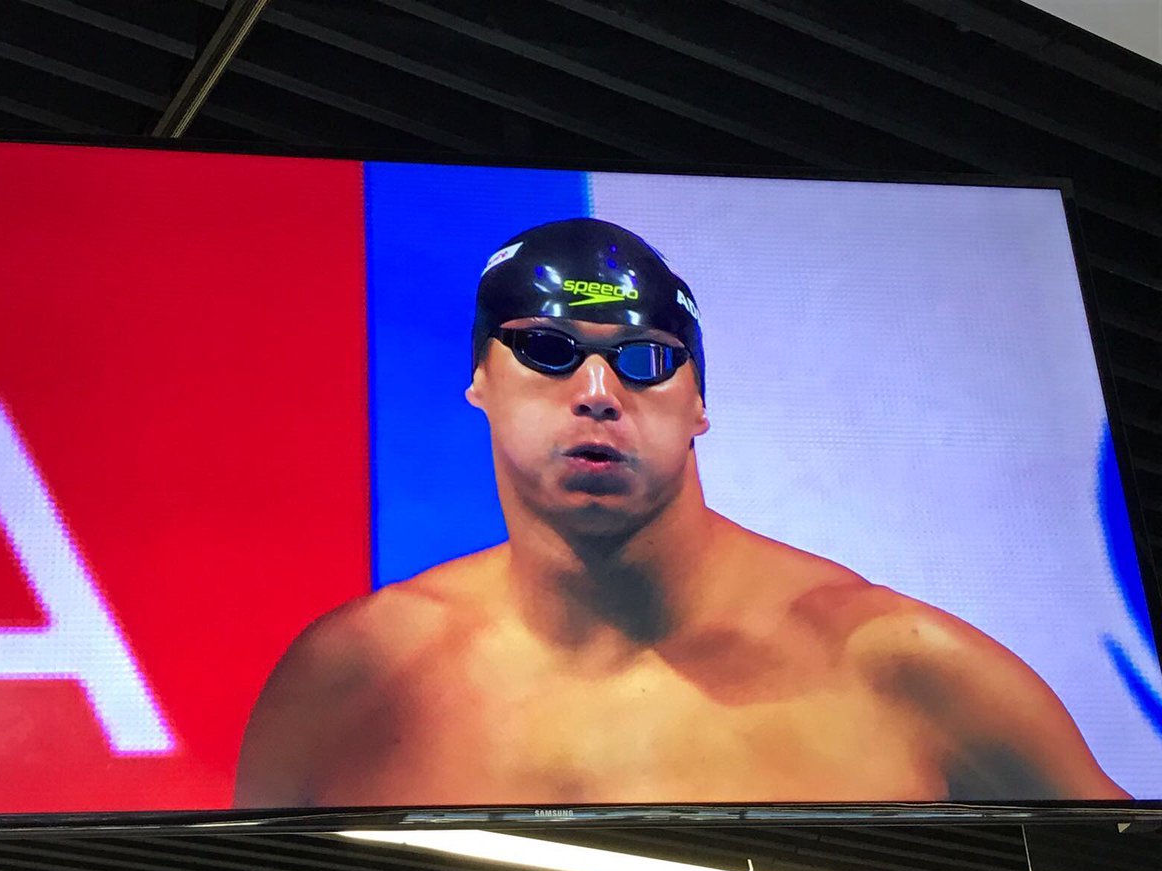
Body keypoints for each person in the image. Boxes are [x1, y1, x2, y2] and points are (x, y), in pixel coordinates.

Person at [234, 218, 1128, 808]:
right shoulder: (350, 680)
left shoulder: (901, 670)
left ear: (700, 403)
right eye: (549, 352)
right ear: (478, 382)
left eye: (645, 360)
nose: (596, 393)